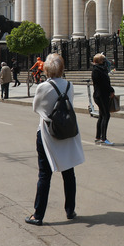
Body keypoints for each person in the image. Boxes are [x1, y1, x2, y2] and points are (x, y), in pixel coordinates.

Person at [26, 53, 84, 226]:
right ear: (62, 68)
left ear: (45, 69)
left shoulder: (43, 87)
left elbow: (36, 108)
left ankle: (38, 215)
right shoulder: (69, 85)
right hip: (67, 131)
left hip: (47, 133)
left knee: (45, 174)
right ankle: (70, 210)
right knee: (69, 173)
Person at [91, 53, 115, 145]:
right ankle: (103, 138)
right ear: (99, 61)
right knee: (106, 115)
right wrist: (111, 90)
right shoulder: (98, 70)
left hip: (101, 94)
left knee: (102, 115)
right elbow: (104, 84)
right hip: (101, 95)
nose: (106, 62)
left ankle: (98, 137)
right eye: (104, 60)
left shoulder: (99, 69)